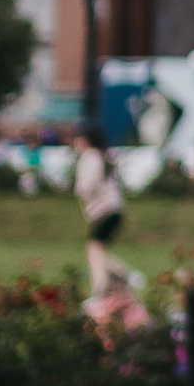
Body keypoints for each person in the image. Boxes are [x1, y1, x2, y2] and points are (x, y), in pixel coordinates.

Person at [73, 133, 143, 314]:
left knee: (94, 249)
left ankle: (101, 291)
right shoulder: (103, 156)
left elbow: (87, 186)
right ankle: (126, 275)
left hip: (104, 209)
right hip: (112, 208)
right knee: (97, 249)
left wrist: (83, 194)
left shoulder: (91, 157)